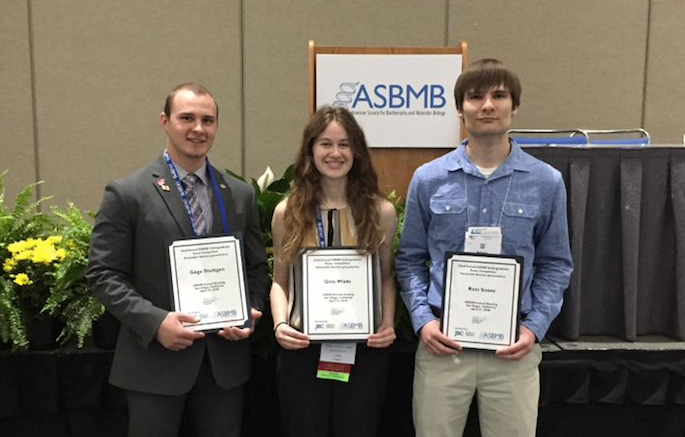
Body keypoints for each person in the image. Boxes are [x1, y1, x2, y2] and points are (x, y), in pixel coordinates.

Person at [396, 59, 574, 437]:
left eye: (499, 95)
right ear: (460, 110)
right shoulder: (428, 179)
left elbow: (556, 264)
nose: (487, 105)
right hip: (444, 346)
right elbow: (409, 260)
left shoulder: (546, 182)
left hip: (514, 350)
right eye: (475, 97)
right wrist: (423, 321)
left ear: (515, 107)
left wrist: (534, 328)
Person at [87, 83, 270, 437]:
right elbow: (103, 273)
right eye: (186, 118)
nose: (198, 128)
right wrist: (156, 322)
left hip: (223, 364)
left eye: (207, 120)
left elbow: (256, 268)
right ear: (165, 121)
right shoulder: (128, 193)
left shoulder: (240, 195)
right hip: (154, 362)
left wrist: (249, 310)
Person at [269, 105, 398, 437]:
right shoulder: (289, 212)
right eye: (326, 143)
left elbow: (386, 276)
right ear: (311, 150)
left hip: (364, 349)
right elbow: (279, 282)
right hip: (303, 347)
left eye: (344, 144)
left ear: (356, 151)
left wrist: (386, 324)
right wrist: (281, 324)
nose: (335, 153)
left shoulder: (379, 211)